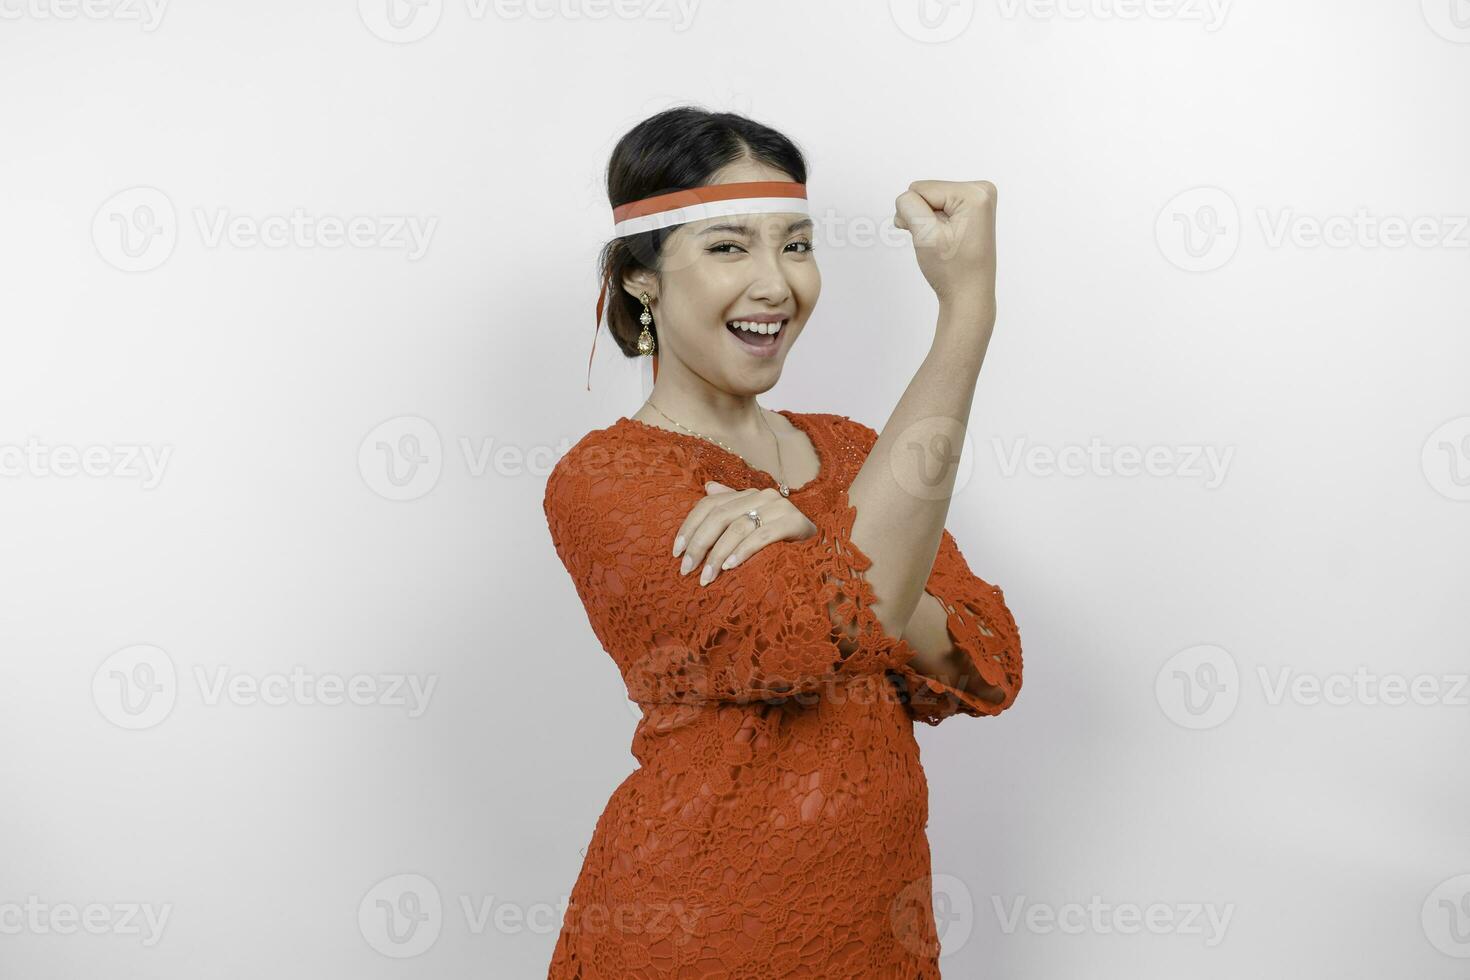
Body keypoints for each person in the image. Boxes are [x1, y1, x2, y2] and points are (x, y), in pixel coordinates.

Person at [542, 106, 1023, 978]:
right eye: (729, 247)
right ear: (642, 278)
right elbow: (841, 625)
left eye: (796, 244)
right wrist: (966, 314)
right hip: (703, 928)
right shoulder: (607, 478)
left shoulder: (847, 449)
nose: (776, 284)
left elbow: (979, 660)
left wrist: (818, 535)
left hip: (878, 925)